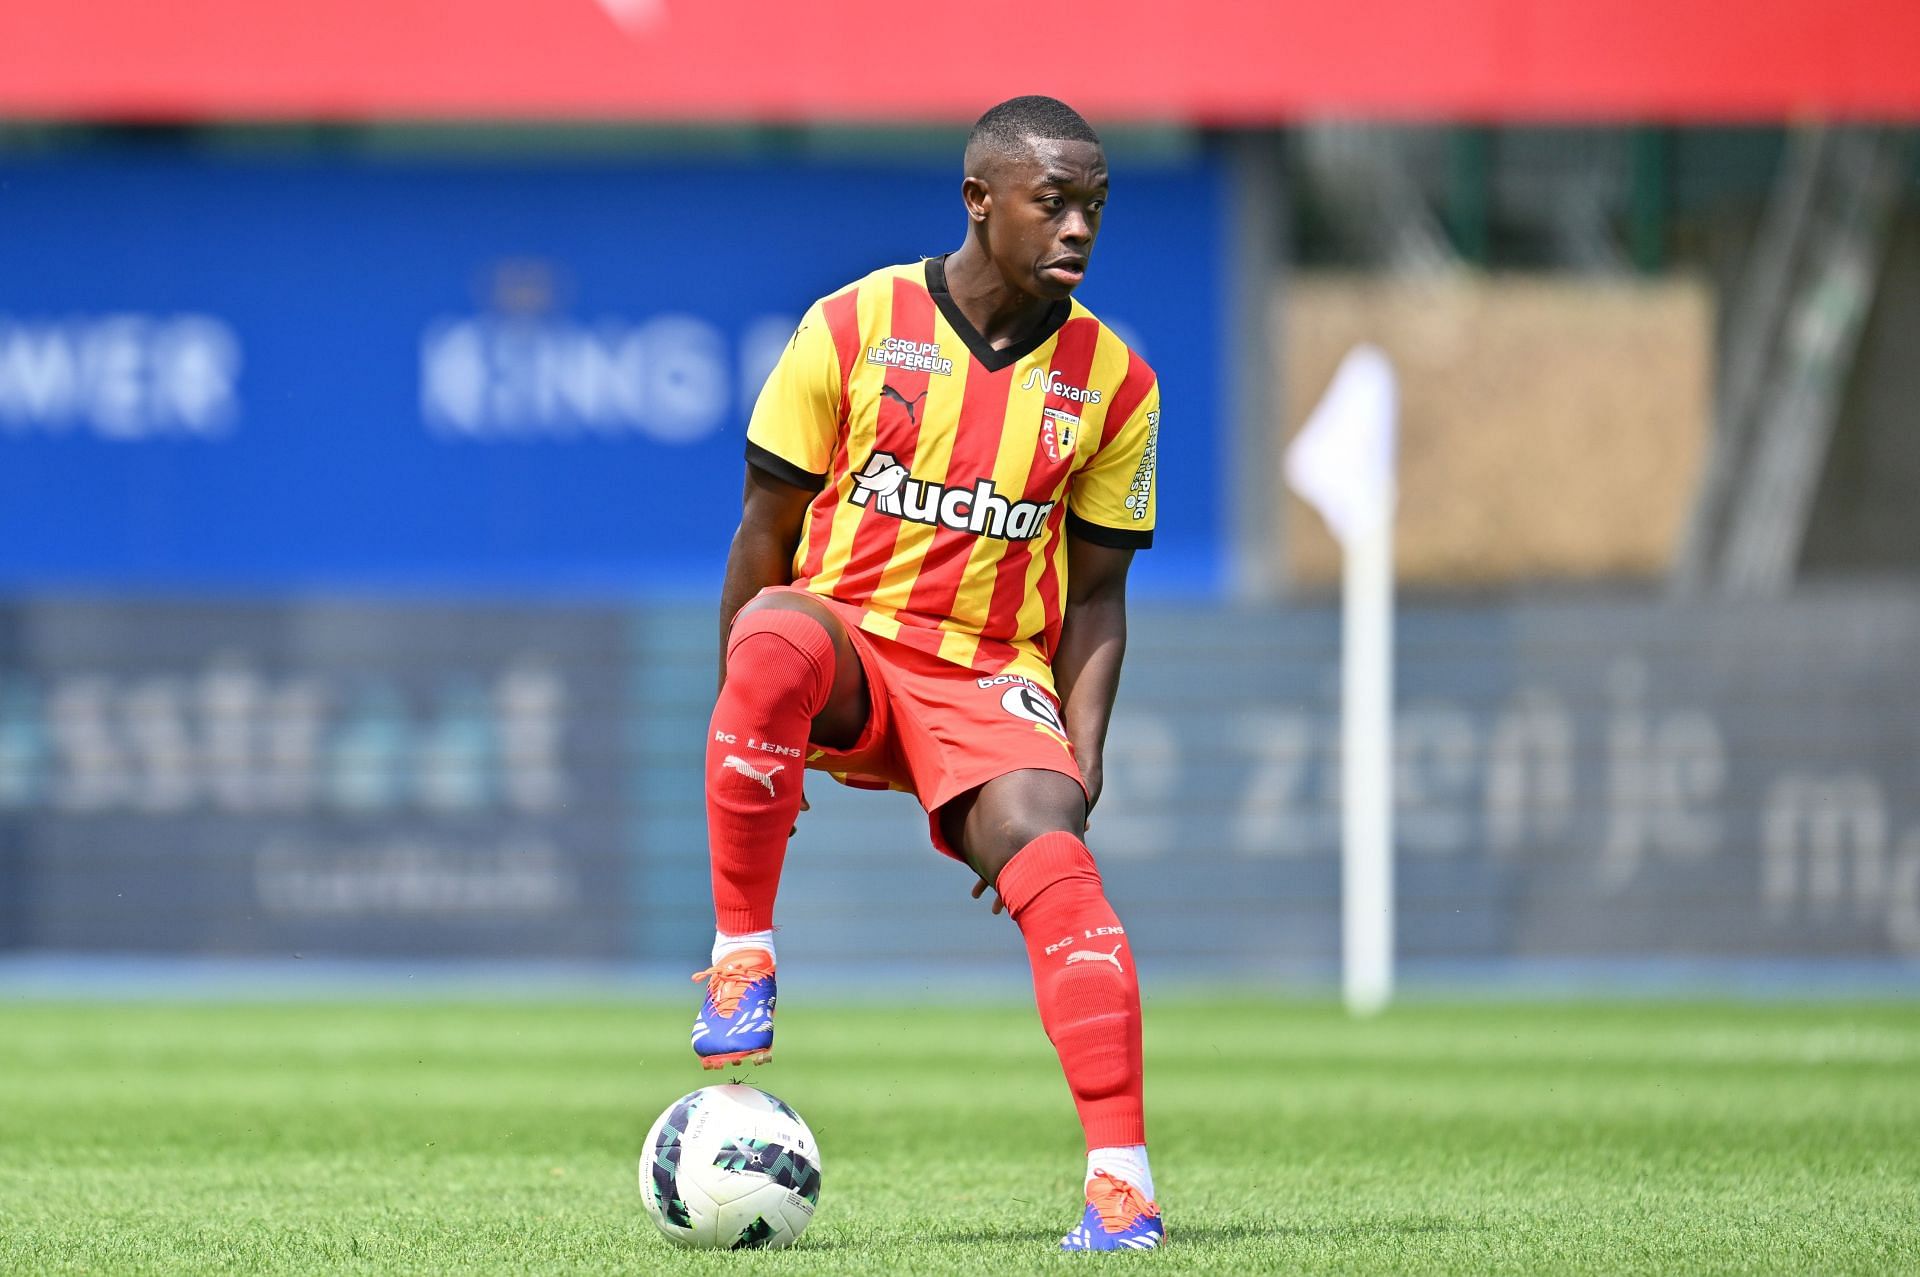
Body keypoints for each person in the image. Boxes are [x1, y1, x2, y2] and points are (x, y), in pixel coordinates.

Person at [691, 94, 1164, 1253]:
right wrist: (746, 721)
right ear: (979, 200)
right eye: (1052, 202)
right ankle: (740, 954)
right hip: (850, 639)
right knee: (770, 630)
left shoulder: (1116, 382)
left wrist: (1078, 758)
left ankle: (1121, 1180)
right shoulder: (852, 327)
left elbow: (1097, 594)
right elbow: (763, 539)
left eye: (1093, 206)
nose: (1077, 230)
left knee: (1058, 864)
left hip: (990, 673)